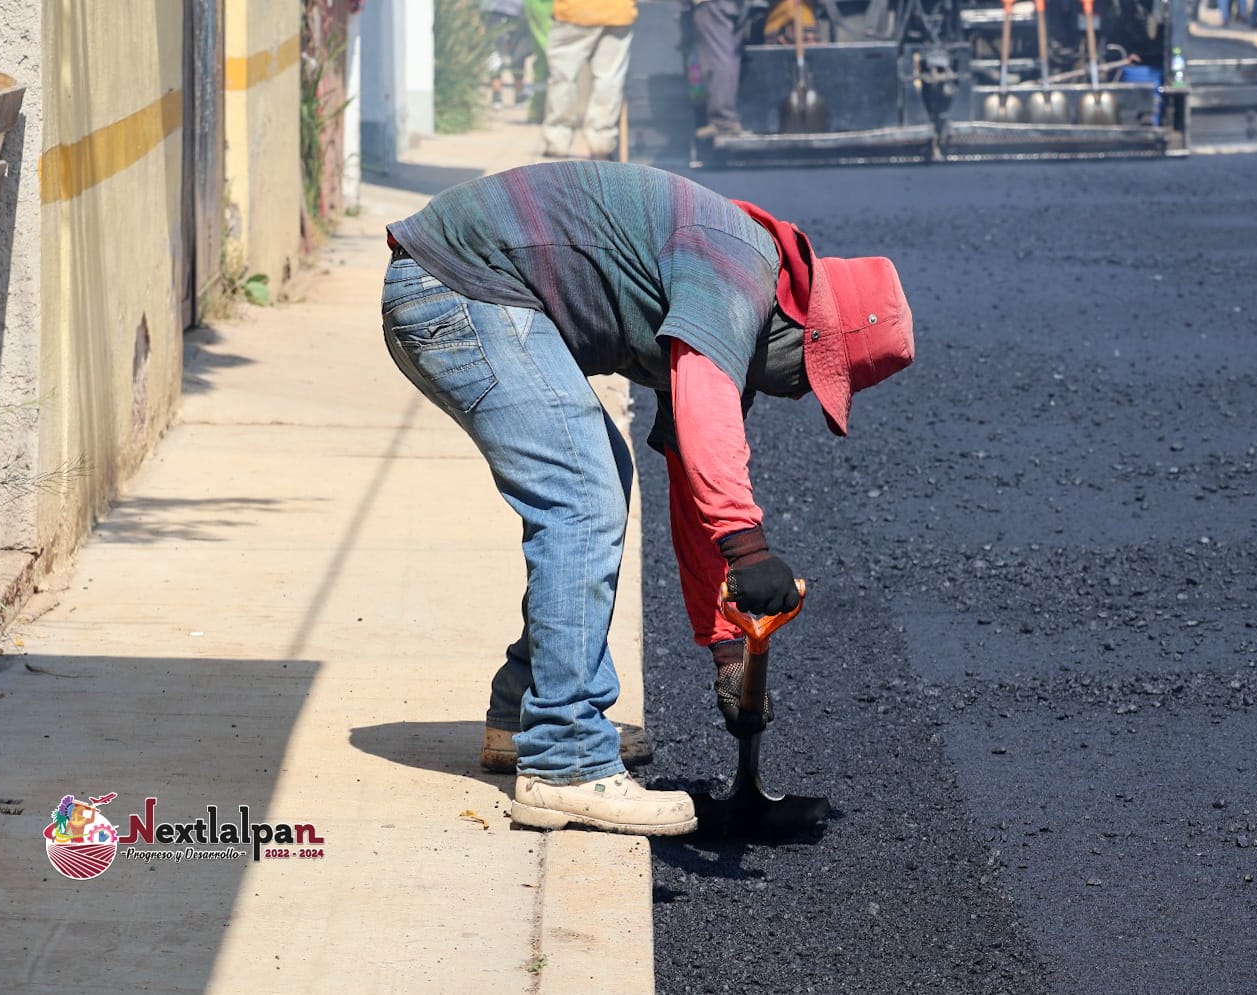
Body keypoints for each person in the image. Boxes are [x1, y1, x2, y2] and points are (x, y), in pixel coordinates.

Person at [380, 161, 915, 836]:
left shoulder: (731, 280)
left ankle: (525, 712)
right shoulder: (735, 267)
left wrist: (728, 650)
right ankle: (564, 759)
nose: (794, 393)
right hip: (456, 286)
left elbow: (696, 481)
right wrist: (749, 546)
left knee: (598, 469)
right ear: (802, 330)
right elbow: (706, 416)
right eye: (809, 377)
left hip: (459, 282)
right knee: (580, 495)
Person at [540, 0, 635, 158]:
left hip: (574, 11)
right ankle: (601, 142)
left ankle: (558, 140)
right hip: (617, 12)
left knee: (563, 78)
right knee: (609, 78)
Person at [692, 0, 748, 140]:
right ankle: (728, 117)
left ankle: (723, 120)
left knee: (718, 58)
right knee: (730, 57)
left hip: (713, 4)